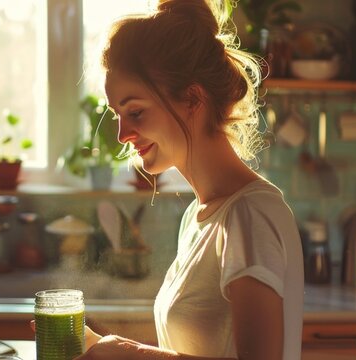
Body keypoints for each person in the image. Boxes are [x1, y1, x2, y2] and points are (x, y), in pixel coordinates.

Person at [72, 0, 305, 359]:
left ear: (192, 99)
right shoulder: (198, 219)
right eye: (117, 114)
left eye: (135, 111)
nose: (121, 134)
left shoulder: (250, 214)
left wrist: (129, 354)